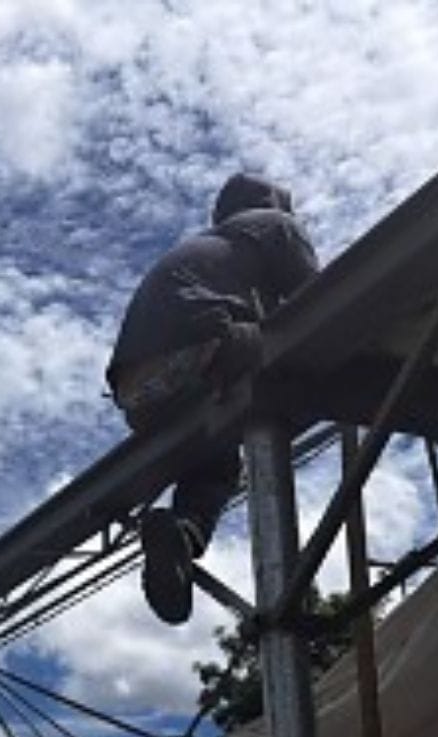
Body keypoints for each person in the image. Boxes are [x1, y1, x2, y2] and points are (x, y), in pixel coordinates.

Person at [107, 172, 320, 625]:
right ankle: (185, 531)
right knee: (262, 351)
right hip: (197, 348)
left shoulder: (206, 250)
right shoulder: (274, 225)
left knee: (217, 458)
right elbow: (318, 304)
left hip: (136, 392)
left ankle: (184, 535)